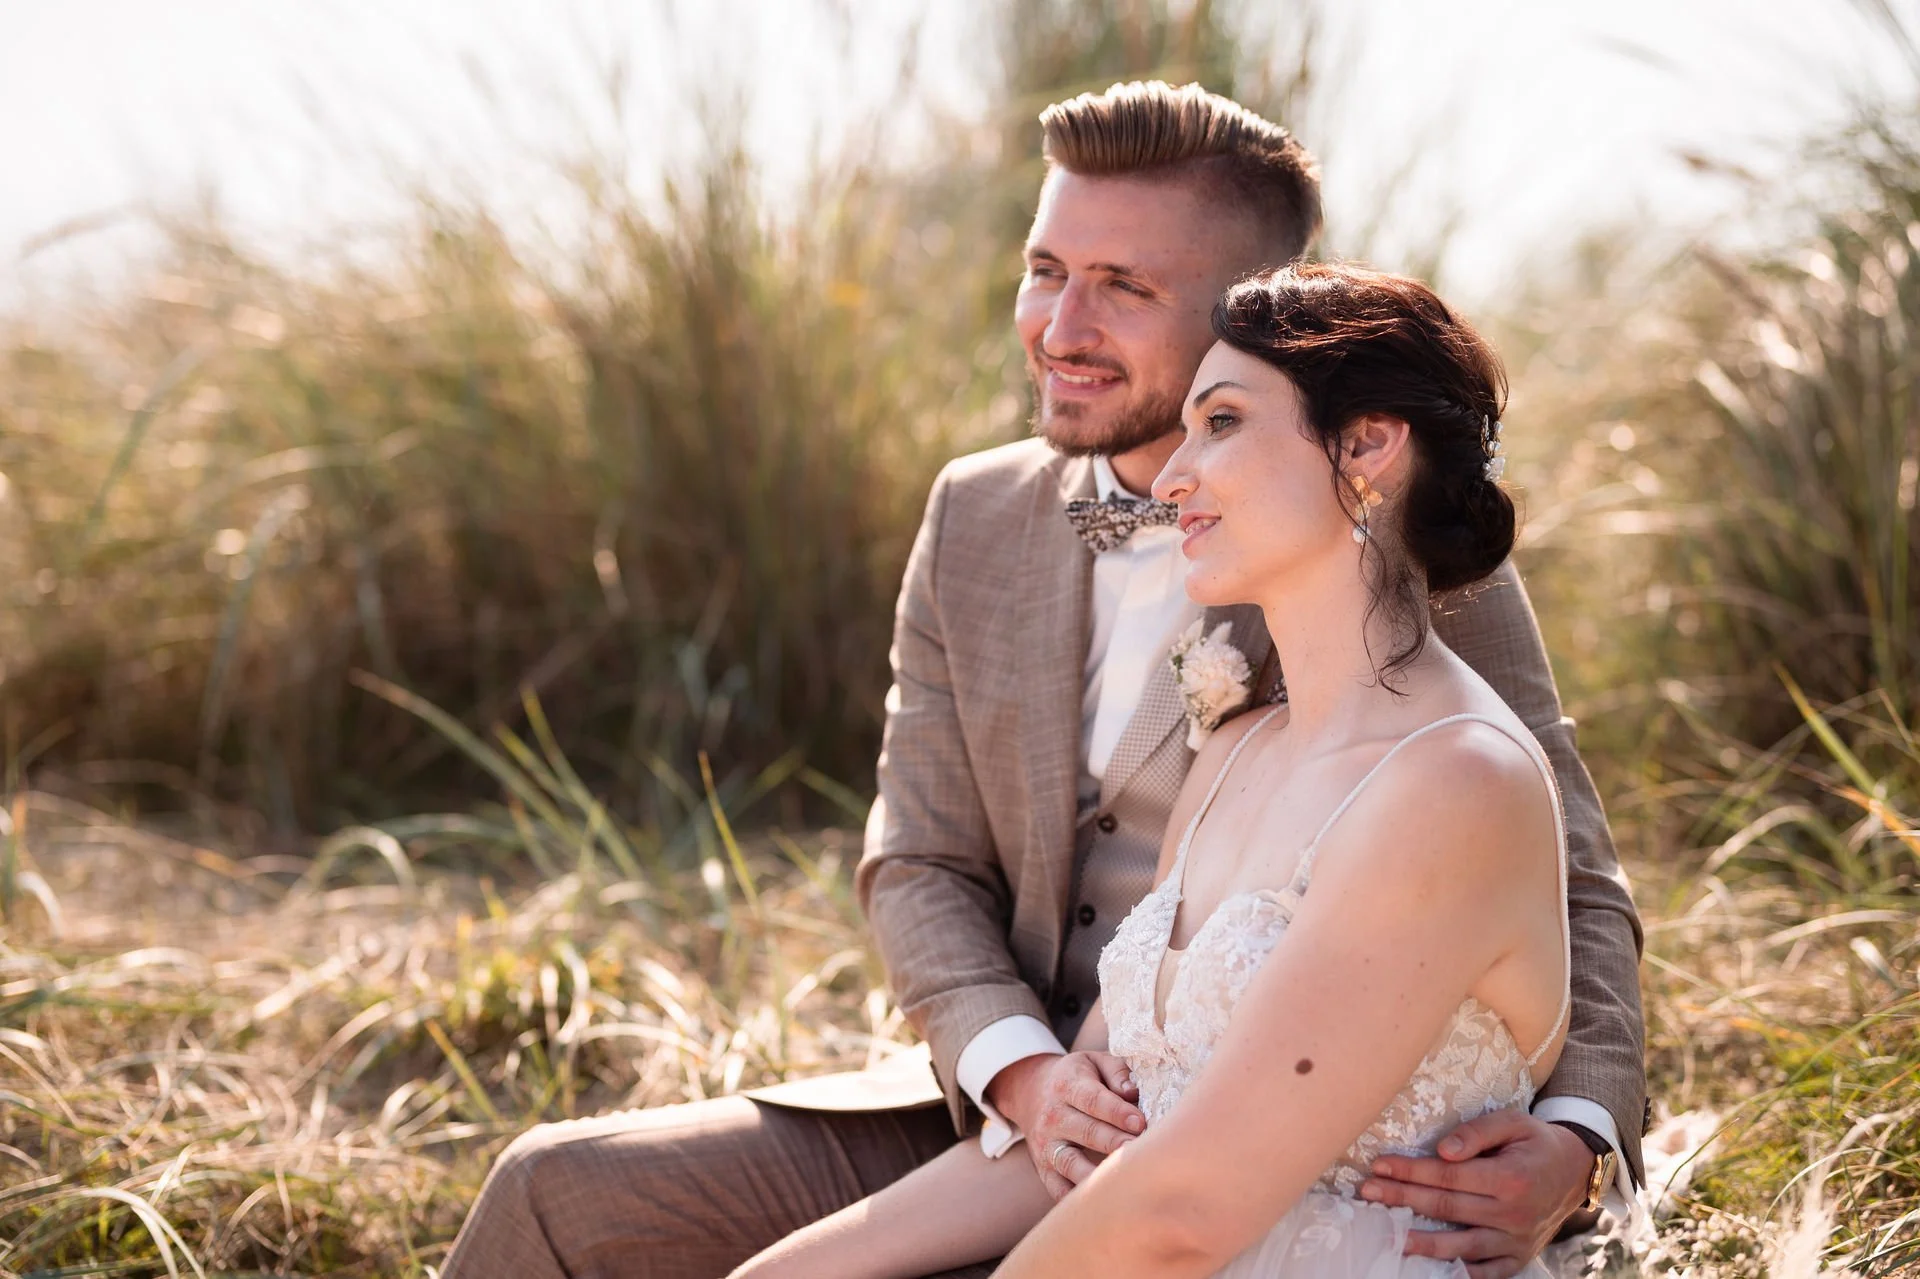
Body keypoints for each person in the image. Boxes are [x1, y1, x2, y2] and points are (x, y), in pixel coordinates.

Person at [440, 82, 1644, 1279]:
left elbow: (1564, 871)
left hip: (1302, 1169)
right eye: (1045, 269)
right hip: (1006, 1119)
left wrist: (1578, 1141)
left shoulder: (1394, 541)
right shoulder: (977, 514)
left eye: (1125, 287)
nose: (1060, 326)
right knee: (553, 1193)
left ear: (1255, 313)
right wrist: (1023, 1071)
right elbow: (918, 858)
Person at [728, 260, 1578, 1279]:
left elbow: (1184, 1209)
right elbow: (1103, 1141)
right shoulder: (1230, 752)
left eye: (1221, 422)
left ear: (1368, 444)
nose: (1174, 476)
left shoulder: (1455, 783)